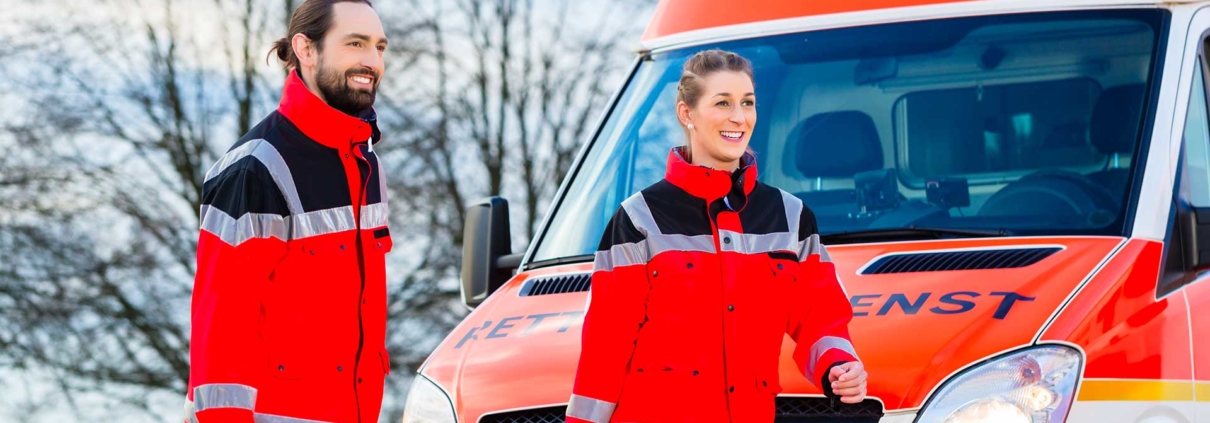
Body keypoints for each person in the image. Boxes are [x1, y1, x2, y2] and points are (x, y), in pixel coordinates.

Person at [566, 49, 867, 423]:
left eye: (747, 103)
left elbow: (820, 316)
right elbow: (605, 351)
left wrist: (839, 364)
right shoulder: (639, 219)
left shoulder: (790, 217)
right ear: (686, 114)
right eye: (723, 103)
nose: (739, 117)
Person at [184, 1, 392, 422]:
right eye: (355, 44)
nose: (372, 61)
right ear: (306, 49)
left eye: (379, 47)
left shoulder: (366, 164)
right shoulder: (255, 169)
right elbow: (221, 333)